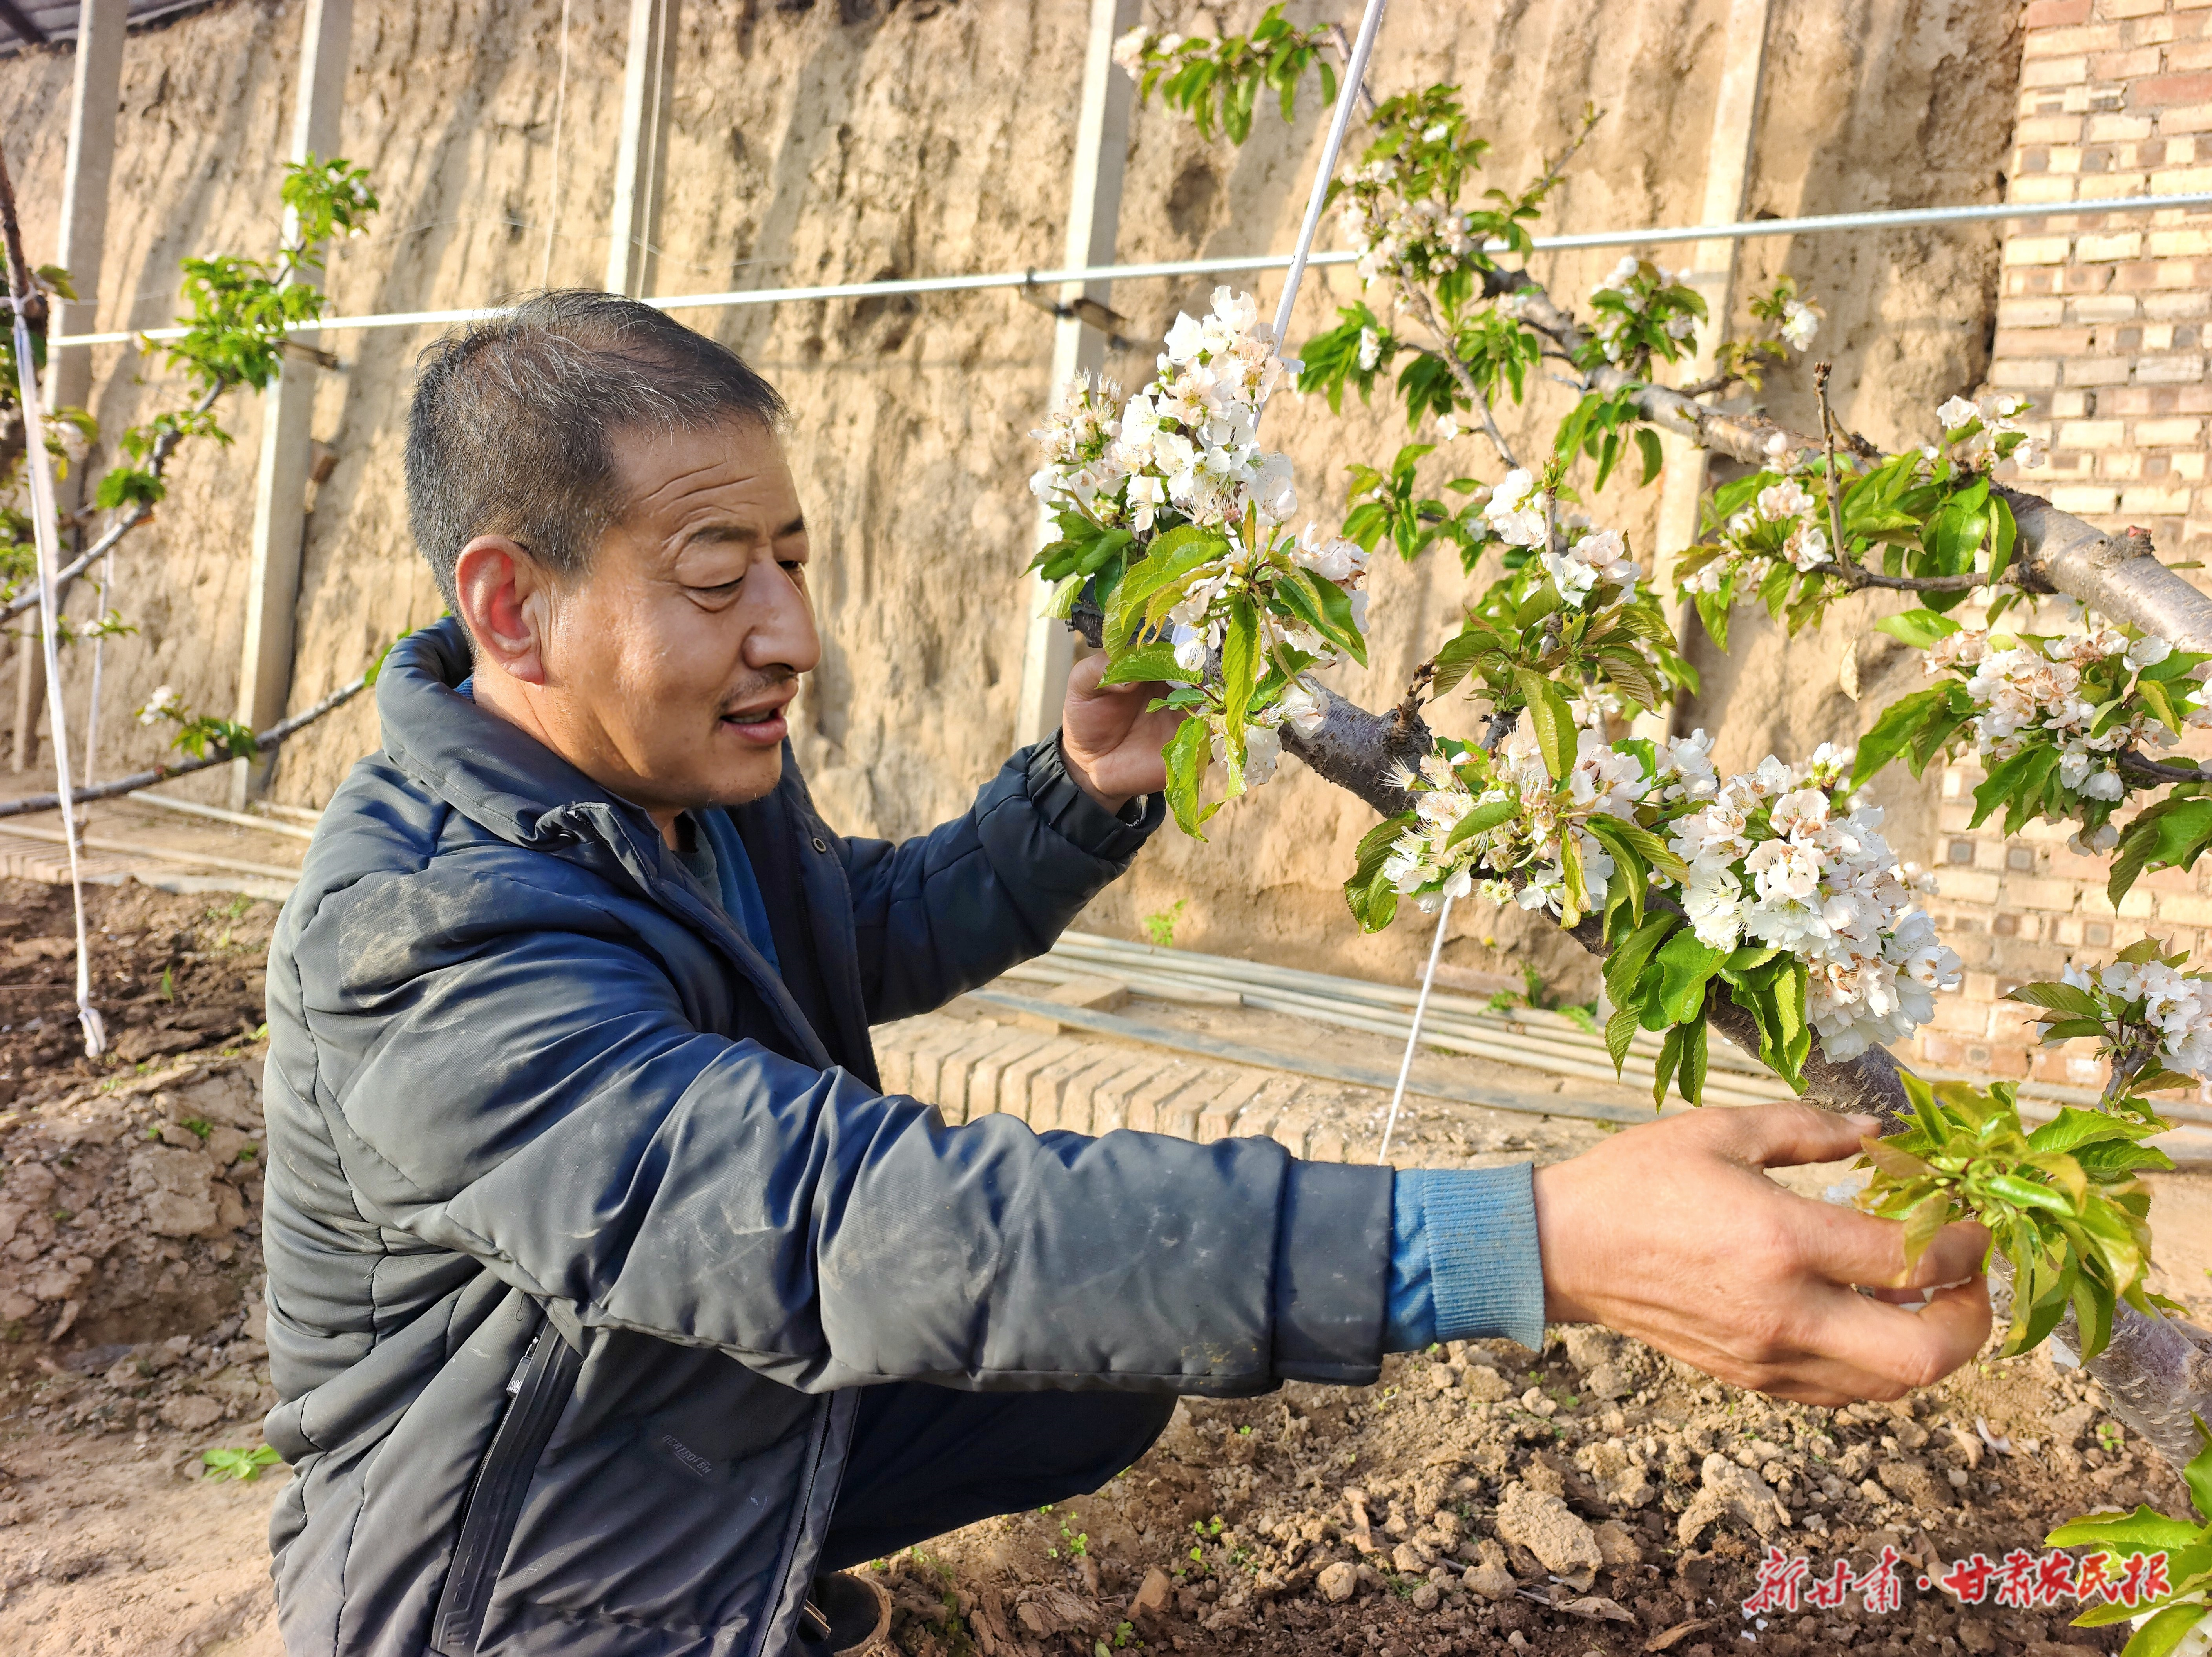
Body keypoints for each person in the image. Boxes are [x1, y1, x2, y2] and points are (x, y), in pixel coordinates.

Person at [260, 292, 1990, 1657]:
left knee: (1102, 1351)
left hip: (655, 1381)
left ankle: (747, 1537)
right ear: (510, 604)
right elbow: (833, 1221)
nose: (788, 632)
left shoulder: (666, 776)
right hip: (490, 1556)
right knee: (1011, 1272)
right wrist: (1532, 1240)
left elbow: (848, 932)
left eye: (791, 560)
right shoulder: (427, 942)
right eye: (719, 576)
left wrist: (1083, 792)